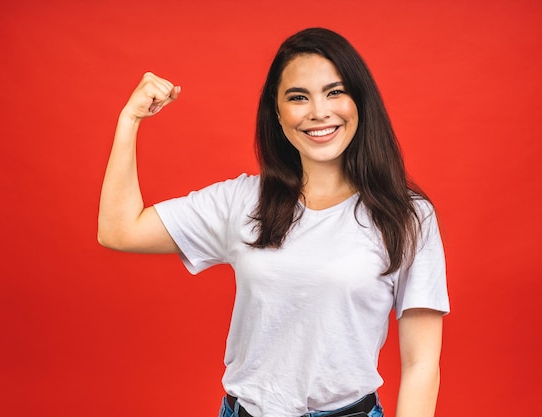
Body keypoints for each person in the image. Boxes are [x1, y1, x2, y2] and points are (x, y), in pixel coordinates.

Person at [98, 28, 449, 417]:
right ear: (278, 113)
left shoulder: (407, 214)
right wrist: (129, 120)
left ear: (360, 102)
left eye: (335, 92)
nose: (318, 111)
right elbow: (119, 229)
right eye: (298, 97)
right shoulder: (242, 200)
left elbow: (421, 364)